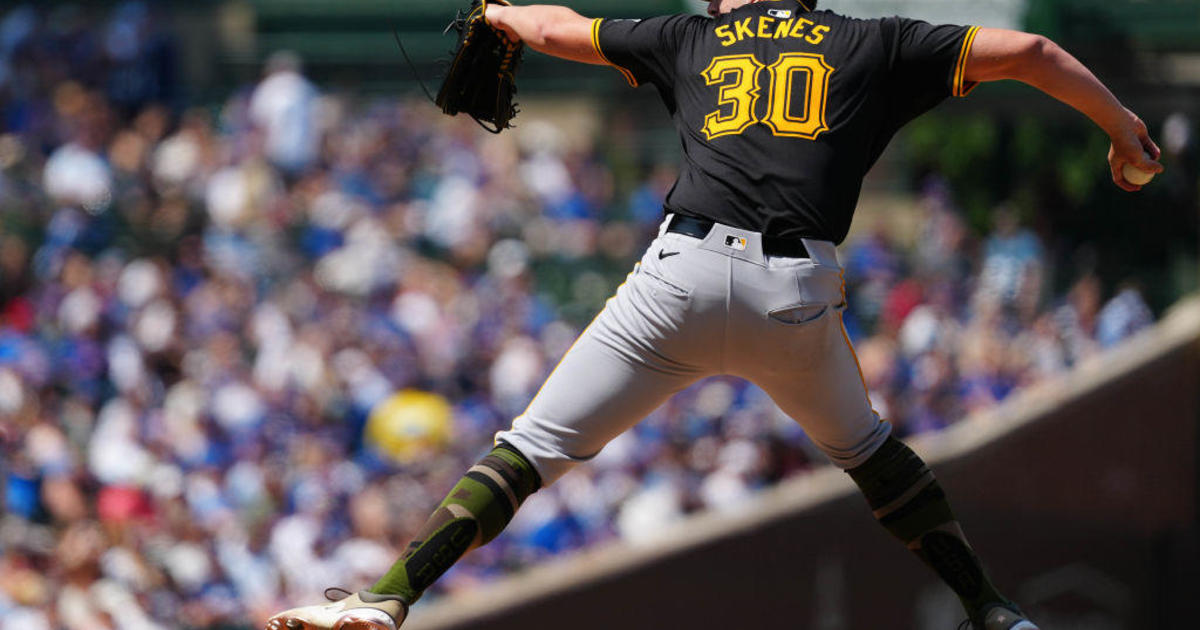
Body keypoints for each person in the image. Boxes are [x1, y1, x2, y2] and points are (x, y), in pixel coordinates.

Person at [266, 0, 1162, 629]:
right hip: (793, 295)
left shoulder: (695, 36)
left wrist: (499, 14)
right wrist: (1124, 132)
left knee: (529, 448)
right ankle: (991, 610)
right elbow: (1035, 53)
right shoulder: (874, 40)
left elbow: (549, 27)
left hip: (679, 279)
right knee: (872, 456)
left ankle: (389, 596)